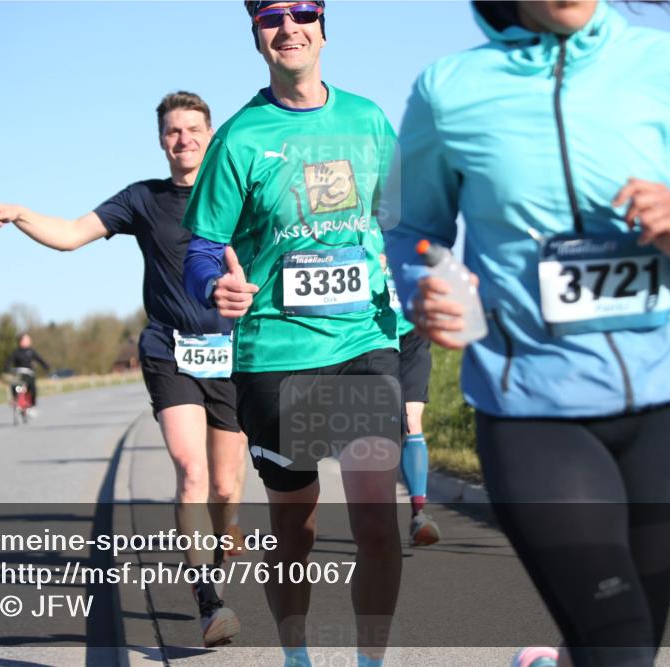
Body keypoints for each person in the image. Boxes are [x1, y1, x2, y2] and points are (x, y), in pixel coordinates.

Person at [384, 2, 670, 667]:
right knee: (619, 646)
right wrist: (426, 283)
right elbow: (407, 229)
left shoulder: (668, 66)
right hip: (533, 411)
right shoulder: (451, 90)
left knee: (618, 643)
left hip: (662, 407)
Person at [0, 91, 248, 647]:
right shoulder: (143, 199)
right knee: (190, 471)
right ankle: (208, 602)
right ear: (161, 140)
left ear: (210, 133)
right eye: (174, 131)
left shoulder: (233, 194)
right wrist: (23, 213)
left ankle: (221, 549)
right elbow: (73, 234)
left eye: (194, 129)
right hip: (169, 349)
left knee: (225, 487)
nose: (185, 140)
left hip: (232, 353)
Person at [182, 3, 402, 665]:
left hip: (363, 339)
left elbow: (404, 224)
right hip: (277, 352)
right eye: (271, 16)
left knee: (374, 519)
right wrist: (214, 289)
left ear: (324, 27)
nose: (289, 26)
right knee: (295, 529)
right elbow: (200, 252)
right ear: (256, 37)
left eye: (303, 10)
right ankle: (297, 654)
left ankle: (370, 661)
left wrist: (431, 285)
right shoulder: (240, 139)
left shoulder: (367, 121)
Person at [383, 254, 441, 546]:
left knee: (411, 420)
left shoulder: (410, 230)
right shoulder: (353, 223)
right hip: (373, 336)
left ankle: (419, 515)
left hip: (412, 334)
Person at [7, 332, 49, 410]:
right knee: (14, 385)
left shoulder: (31, 351)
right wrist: (7, 369)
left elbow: (39, 359)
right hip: (19, 374)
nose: (29, 341)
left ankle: (32, 404)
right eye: (27, 340)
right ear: (21, 341)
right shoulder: (16, 352)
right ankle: (15, 399)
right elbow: (9, 361)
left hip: (29, 374)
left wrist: (46, 366)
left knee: (33, 388)